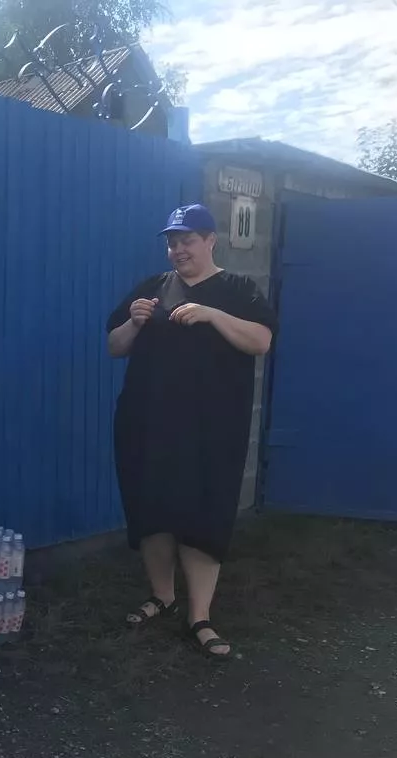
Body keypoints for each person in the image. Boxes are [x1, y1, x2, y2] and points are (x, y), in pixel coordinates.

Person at [106, 204, 277, 658]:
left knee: (204, 513)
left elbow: (261, 341)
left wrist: (213, 315)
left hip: (213, 427)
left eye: (187, 240)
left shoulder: (238, 289)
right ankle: (162, 596)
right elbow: (114, 347)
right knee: (152, 509)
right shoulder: (152, 287)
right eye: (172, 242)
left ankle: (200, 616)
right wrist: (133, 322)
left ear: (210, 241)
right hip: (147, 421)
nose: (178, 249)